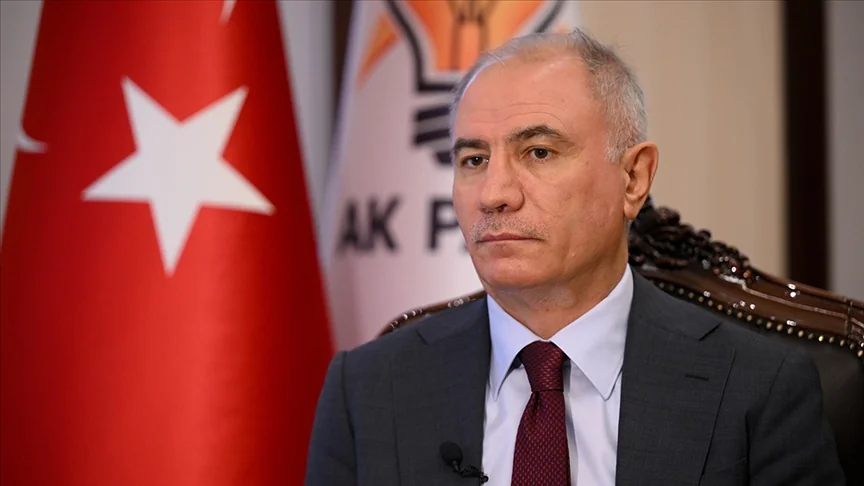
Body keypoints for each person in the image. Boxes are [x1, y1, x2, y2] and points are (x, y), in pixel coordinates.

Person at [305, 28, 844, 486]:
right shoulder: (369, 390)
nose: (494, 194)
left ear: (633, 178)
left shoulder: (758, 386)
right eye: (473, 159)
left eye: (538, 152)